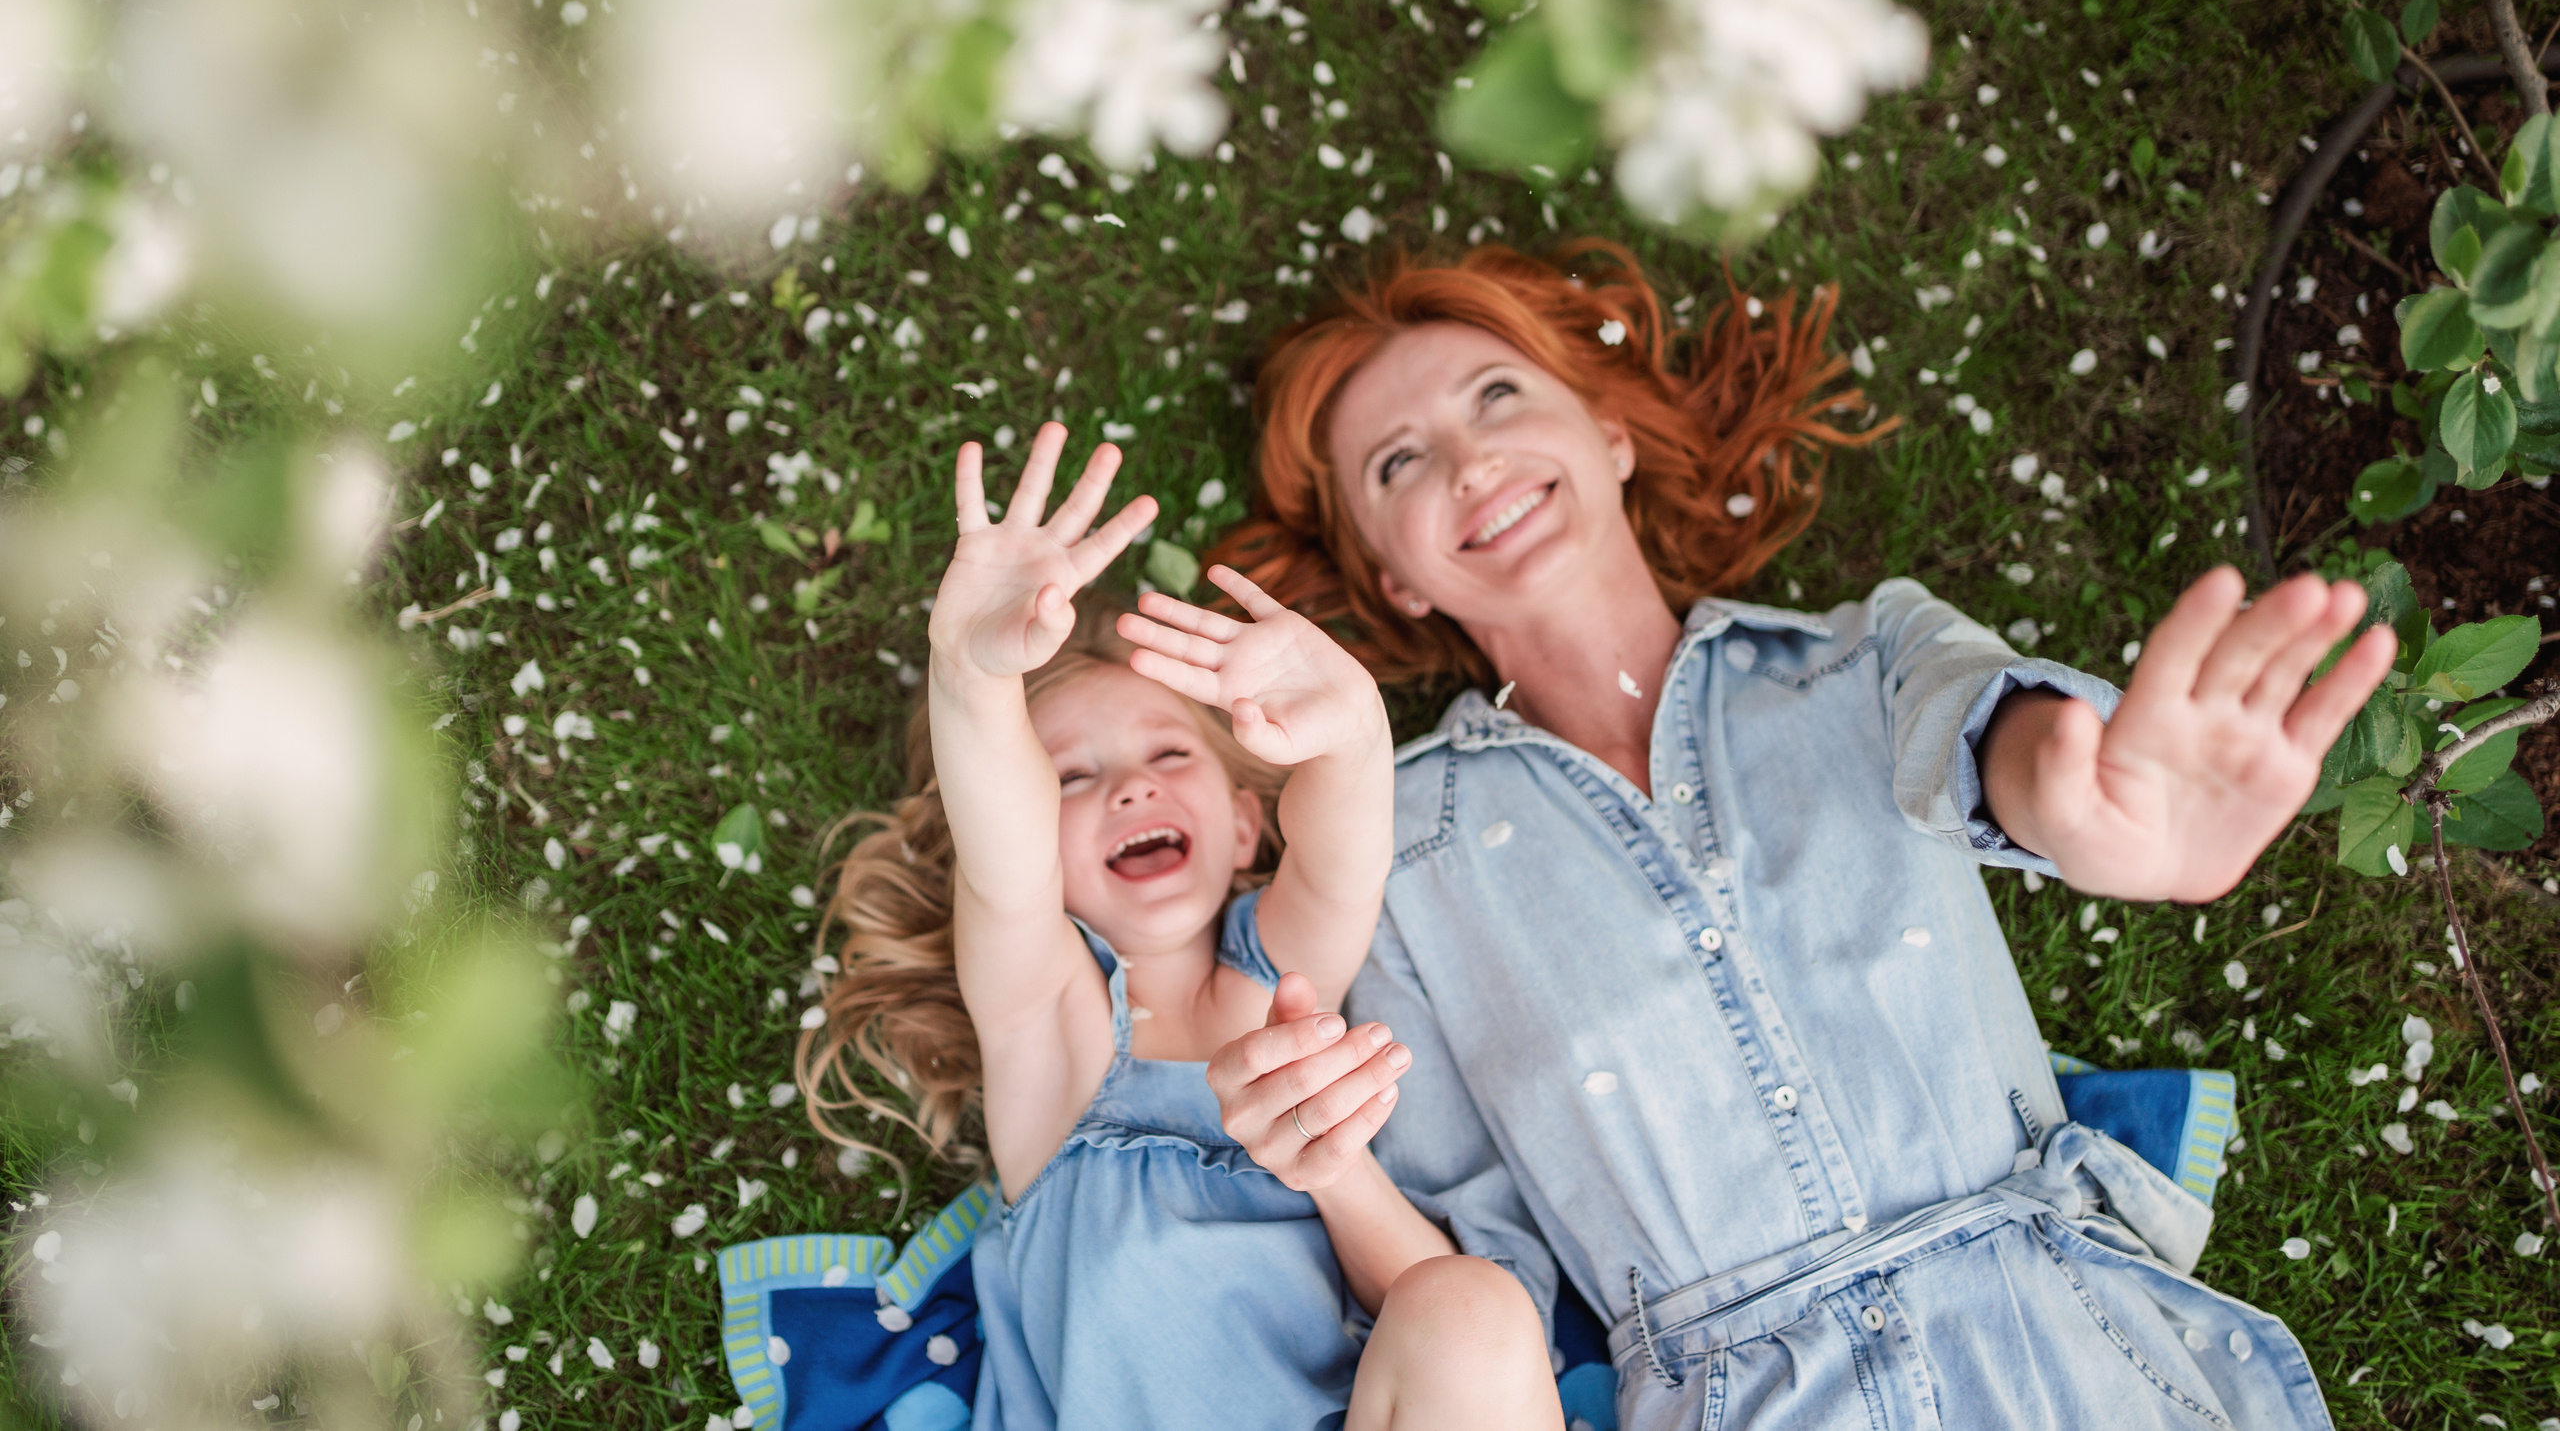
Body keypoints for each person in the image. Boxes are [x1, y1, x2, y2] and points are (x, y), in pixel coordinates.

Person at [1201, 243, 2395, 1430]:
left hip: (2055, 1339)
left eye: (1498, 395)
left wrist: (2093, 814)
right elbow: (1474, 1293)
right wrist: (1328, 1160)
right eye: (1399, 463)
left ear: (1609, 436)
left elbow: (2001, 740)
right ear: (1392, 580)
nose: (1470, 463)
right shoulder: (1393, 853)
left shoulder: (1864, 658)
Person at [796, 423, 1566, 1431]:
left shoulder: (1275, 984)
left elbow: (1341, 862)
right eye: (1071, 777)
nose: (1131, 787)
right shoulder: (1052, 1028)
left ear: (1246, 820)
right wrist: (970, 672)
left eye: (1169, 753)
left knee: (1470, 1309)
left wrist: (1351, 734)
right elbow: (1003, 866)